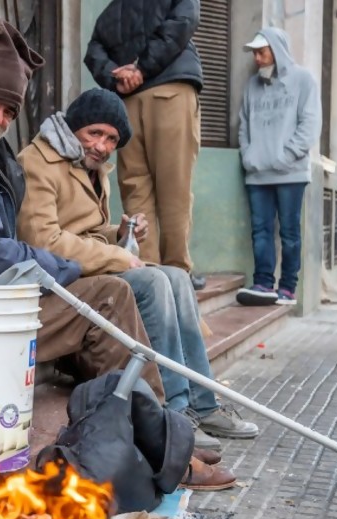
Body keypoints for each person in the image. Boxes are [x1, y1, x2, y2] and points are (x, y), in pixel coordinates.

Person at [0, 16, 233, 489]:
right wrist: (67, 268)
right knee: (109, 298)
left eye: (8, 111)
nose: (0, 120)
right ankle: (160, 447)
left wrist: (95, 249)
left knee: (121, 294)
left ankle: (151, 438)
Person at [16, 88, 259, 452]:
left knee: (175, 277)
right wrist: (117, 257)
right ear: (74, 127)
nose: (101, 145)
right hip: (59, 284)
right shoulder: (37, 162)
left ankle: (203, 403)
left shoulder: (87, 164)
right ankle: (176, 411)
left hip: (85, 270)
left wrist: (119, 231)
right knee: (150, 280)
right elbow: (44, 240)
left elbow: (83, 229)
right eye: (94, 133)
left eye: (111, 139)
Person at [84, 0, 206, 291]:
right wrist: (142, 68)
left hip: (129, 102)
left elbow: (94, 50)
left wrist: (118, 77)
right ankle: (178, 274)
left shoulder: (113, 10)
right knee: (174, 187)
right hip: (170, 90)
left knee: (135, 188)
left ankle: (148, 273)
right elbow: (183, 23)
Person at [236, 28, 322, 307]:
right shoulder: (252, 85)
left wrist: (285, 157)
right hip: (257, 173)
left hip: (290, 172)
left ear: (278, 51)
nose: (257, 58)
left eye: (262, 52)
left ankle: (288, 288)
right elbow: (244, 126)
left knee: (289, 232)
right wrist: (248, 156)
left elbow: (310, 126)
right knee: (260, 230)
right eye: (255, 53)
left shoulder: (303, 80)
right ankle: (263, 283)